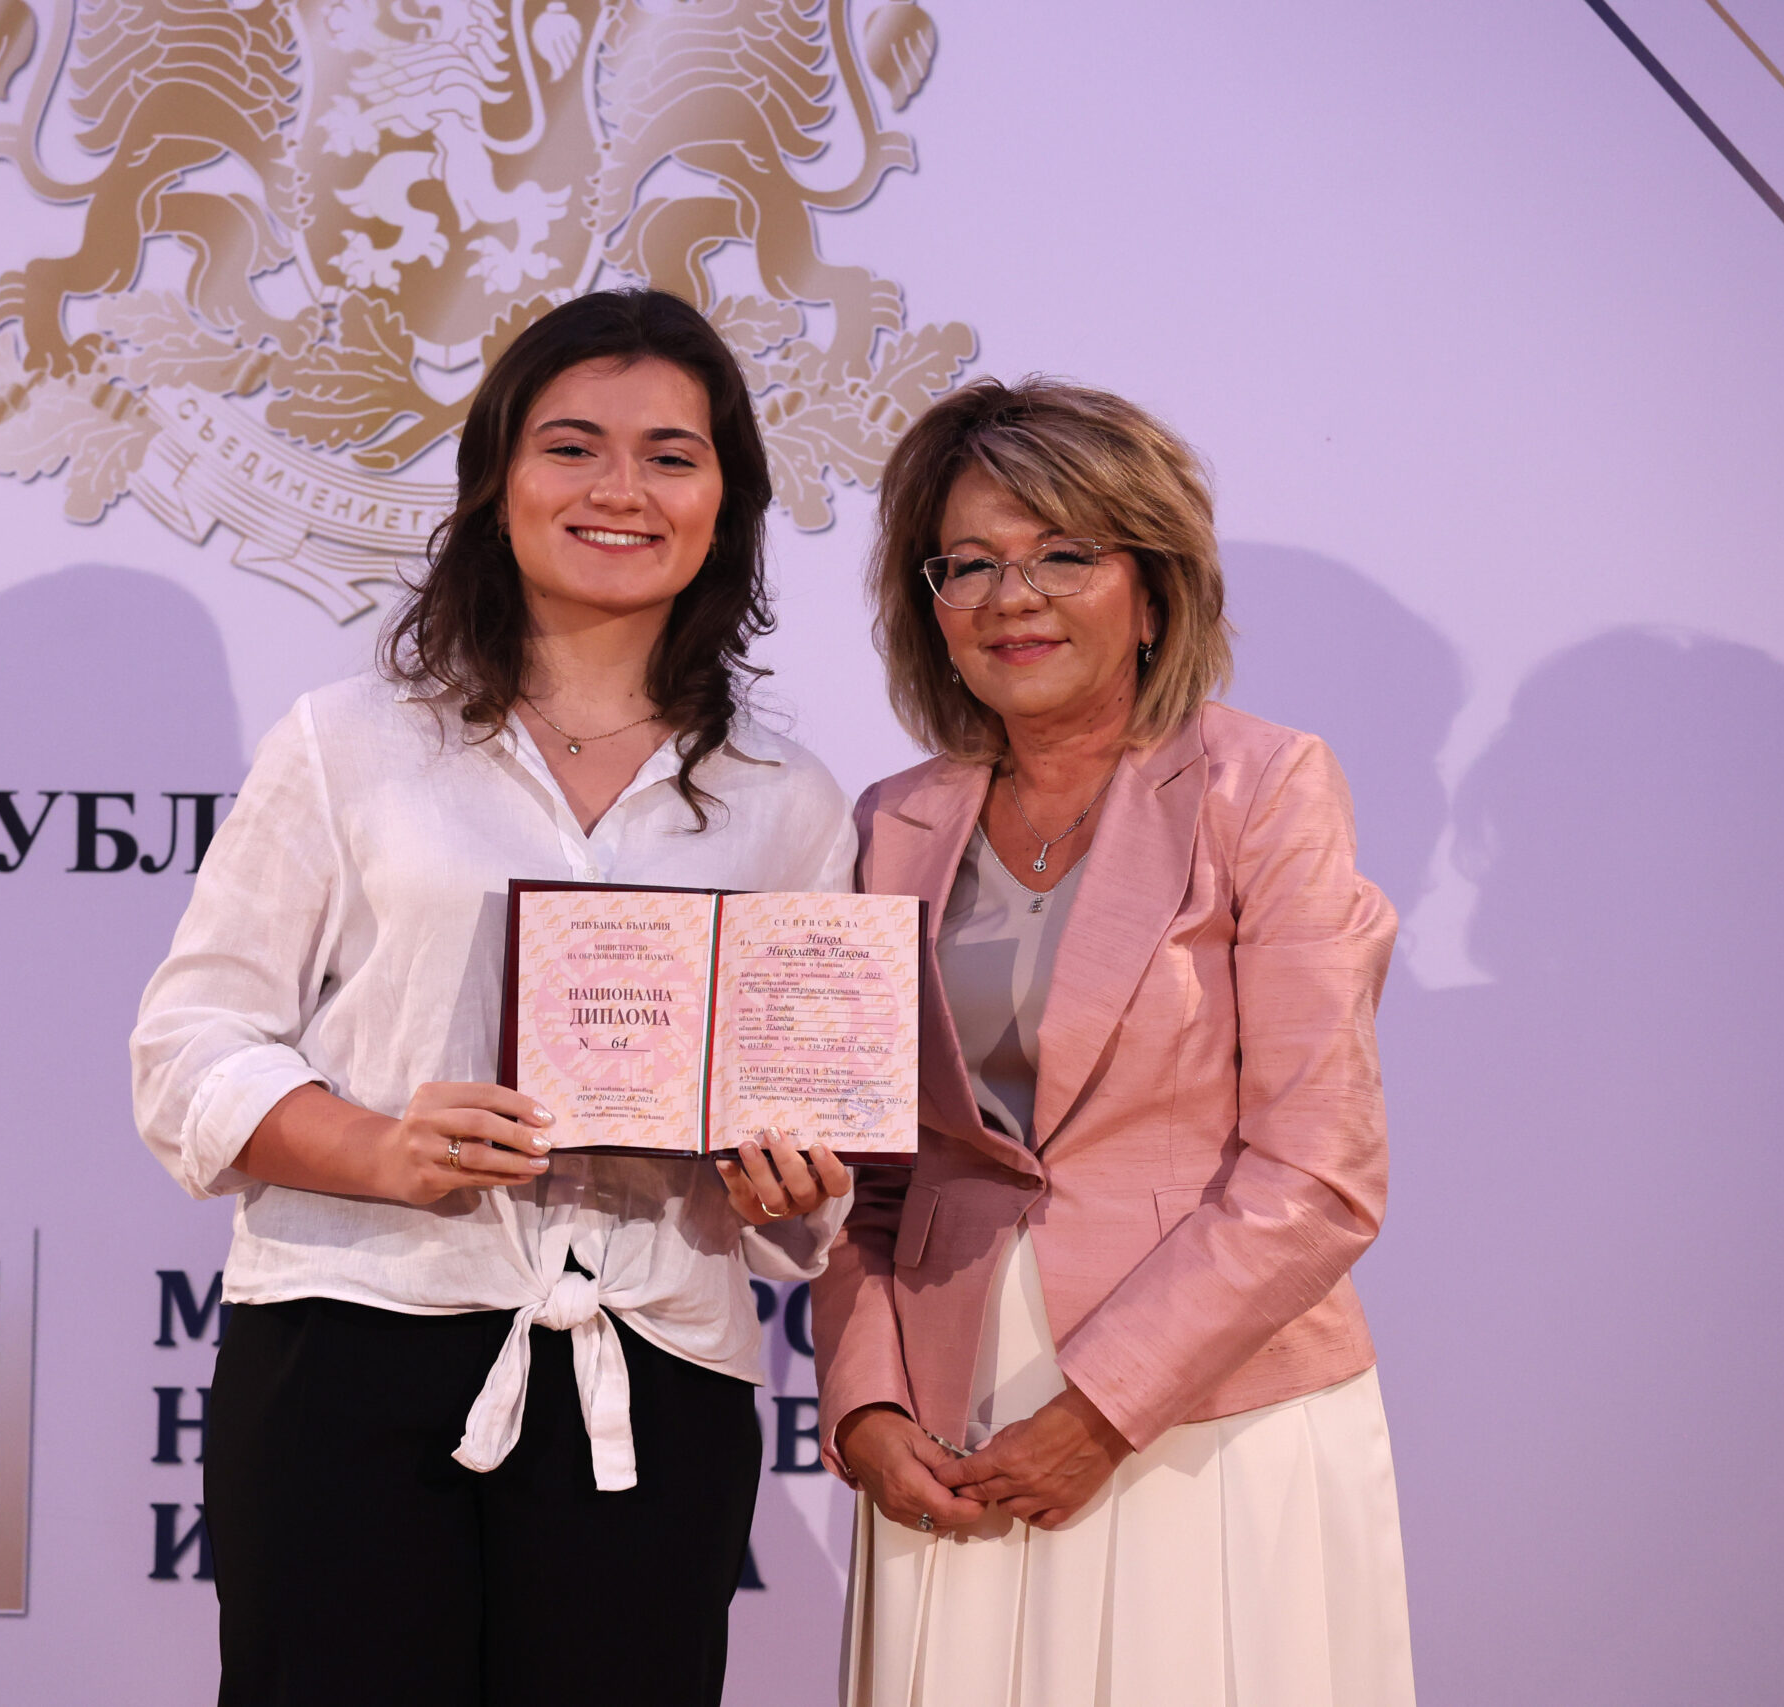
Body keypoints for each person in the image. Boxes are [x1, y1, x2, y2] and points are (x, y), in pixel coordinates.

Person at [129, 288, 858, 1707]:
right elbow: (189, 1048)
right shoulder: (349, 744)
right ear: (494, 482)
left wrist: (790, 1178)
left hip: (654, 1376)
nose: (620, 490)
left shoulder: (788, 801)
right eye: (572, 447)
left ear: (725, 503)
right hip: (351, 1346)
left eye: (671, 455)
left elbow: (808, 1181)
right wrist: (383, 1148)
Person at [812, 378, 1416, 1705]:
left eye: (1063, 554)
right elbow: (867, 1174)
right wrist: (863, 1406)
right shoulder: (893, 822)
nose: (1011, 597)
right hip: (947, 1427)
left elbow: (1318, 1170)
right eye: (970, 564)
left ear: (1155, 591)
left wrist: (1098, 1412)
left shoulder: (1267, 788)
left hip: (1203, 1417)